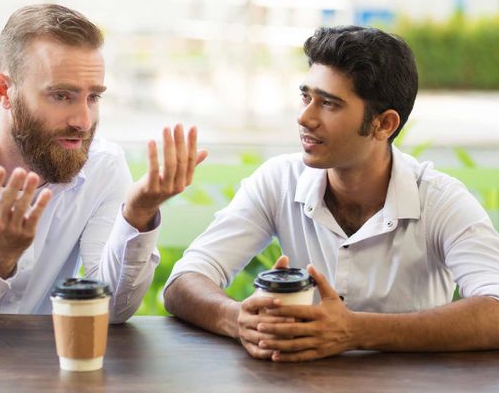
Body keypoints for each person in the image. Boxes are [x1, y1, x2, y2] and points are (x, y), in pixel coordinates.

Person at [0, 3, 207, 383]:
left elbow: (113, 310)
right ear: (4, 91)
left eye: (93, 97)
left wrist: (138, 215)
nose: (83, 121)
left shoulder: (102, 167)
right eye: (61, 96)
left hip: (39, 375)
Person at [164, 25, 499, 362]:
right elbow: (183, 282)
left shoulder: (441, 200)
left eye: (329, 104)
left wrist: (356, 330)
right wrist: (238, 319)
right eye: (306, 97)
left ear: (384, 124)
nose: (305, 117)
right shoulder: (279, 180)